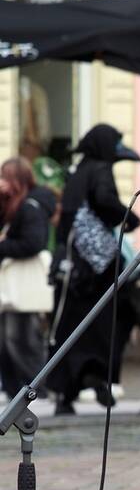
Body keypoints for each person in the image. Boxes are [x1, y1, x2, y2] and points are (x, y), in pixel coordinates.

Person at [47, 123, 140, 415]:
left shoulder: (76, 174)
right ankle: (100, 377)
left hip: (75, 269)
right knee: (111, 321)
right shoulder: (100, 169)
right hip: (100, 268)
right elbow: (104, 199)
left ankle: (66, 393)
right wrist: (130, 217)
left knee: (70, 328)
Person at [0, 157, 50, 398]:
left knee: (20, 338)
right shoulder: (14, 205)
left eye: (5, 177)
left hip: (22, 287)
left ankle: (34, 386)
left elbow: (33, 242)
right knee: (9, 338)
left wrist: (4, 246)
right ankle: (15, 388)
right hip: (13, 287)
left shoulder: (29, 207)